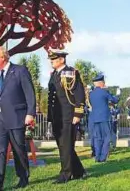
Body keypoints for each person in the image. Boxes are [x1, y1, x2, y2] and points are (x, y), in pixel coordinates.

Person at [0, 46, 36, 191]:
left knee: (18, 149)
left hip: (16, 116)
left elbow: (30, 94)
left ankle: (23, 177)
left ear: (3, 57)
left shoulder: (20, 71)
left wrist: (30, 113)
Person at [47, 49, 86, 184]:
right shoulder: (54, 74)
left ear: (62, 60)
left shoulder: (71, 73)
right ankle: (79, 170)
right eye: (51, 60)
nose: (51, 62)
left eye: (54, 59)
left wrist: (78, 113)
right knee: (64, 145)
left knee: (65, 145)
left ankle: (66, 173)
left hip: (68, 114)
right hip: (57, 115)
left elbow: (79, 94)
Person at [89, 74, 119, 162]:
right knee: (107, 137)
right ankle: (103, 157)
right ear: (101, 83)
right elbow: (114, 100)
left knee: (98, 138)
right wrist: (117, 95)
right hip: (105, 118)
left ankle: (97, 157)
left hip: (95, 118)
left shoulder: (91, 94)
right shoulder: (104, 92)